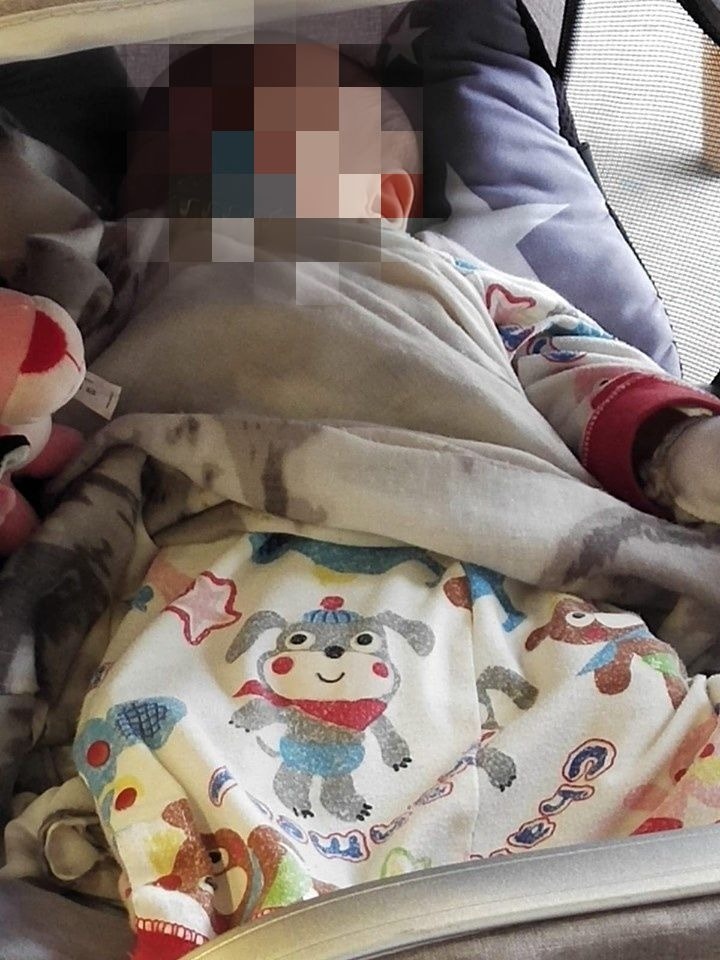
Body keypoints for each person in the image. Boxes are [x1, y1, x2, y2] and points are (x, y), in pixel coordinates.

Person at [66, 40, 720, 960]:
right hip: (220, 558)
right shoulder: (114, 269)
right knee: (184, 719)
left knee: (613, 700)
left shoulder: (449, 273)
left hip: (495, 550)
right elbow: (45, 383)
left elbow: (580, 372)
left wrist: (680, 445)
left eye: (255, 150)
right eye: (166, 166)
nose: (202, 181)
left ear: (385, 201)